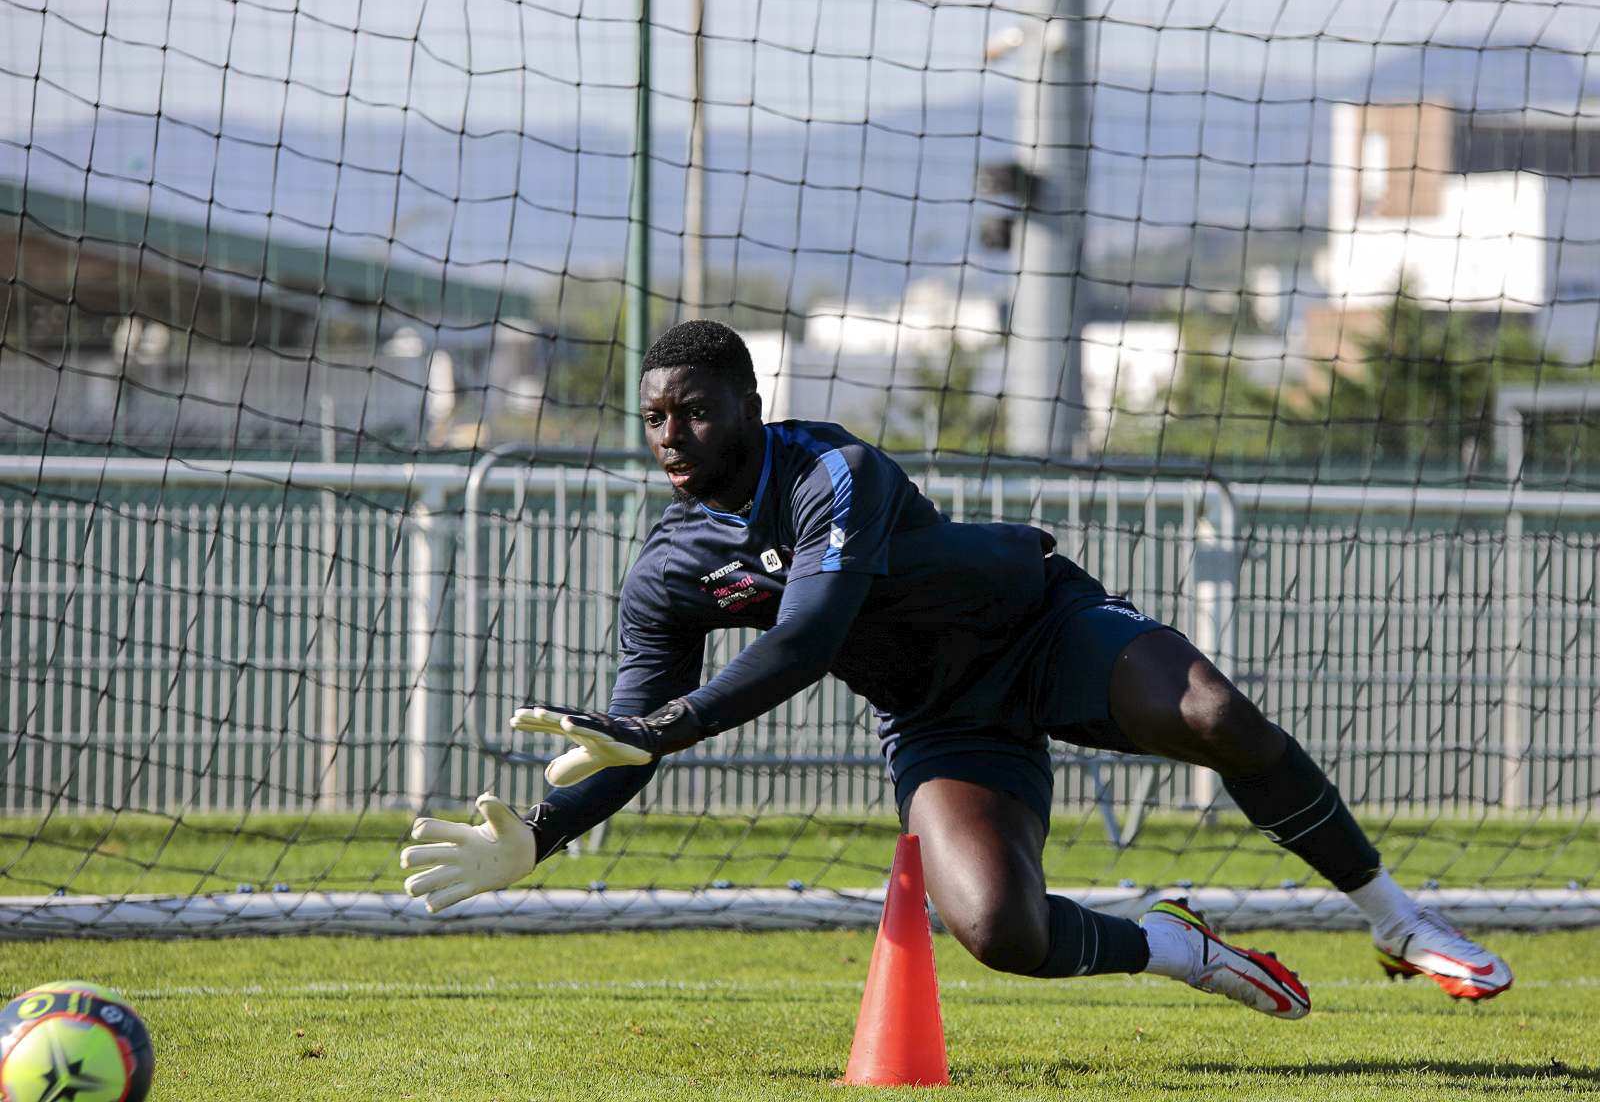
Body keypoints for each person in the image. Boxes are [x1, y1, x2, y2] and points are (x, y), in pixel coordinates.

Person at [402, 320, 1512, 1012]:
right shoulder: (668, 570)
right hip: (943, 722)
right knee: (999, 934)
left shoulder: (833, 467)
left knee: (1217, 714)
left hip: (1040, 628)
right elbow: (626, 736)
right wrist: (544, 834)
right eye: (653, 419)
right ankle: (1178, 947)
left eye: (693, 411)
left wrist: (665, 727)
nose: (672, 436)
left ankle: (1394, 917)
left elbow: (807, 638)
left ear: (750, 403)